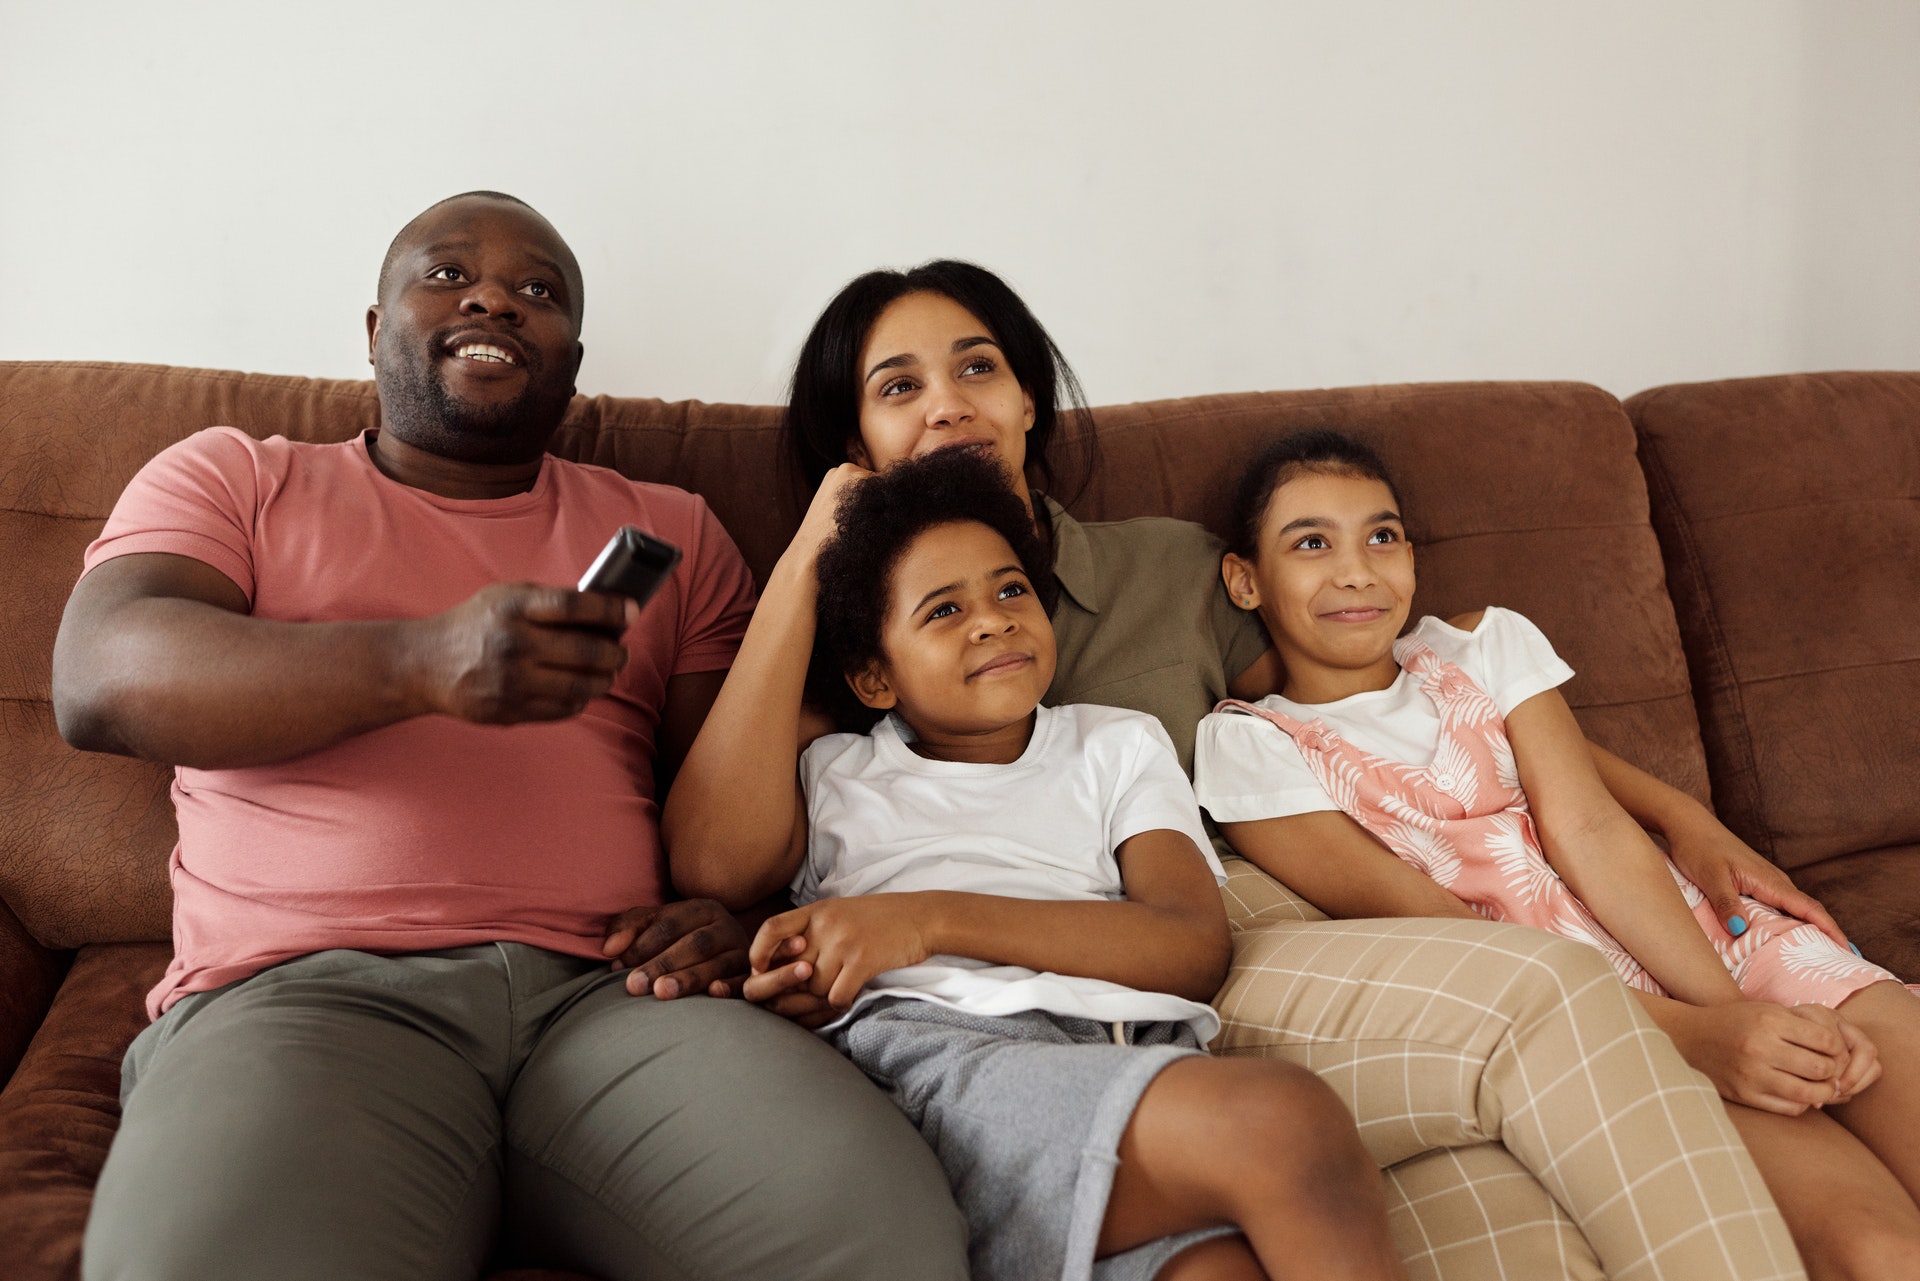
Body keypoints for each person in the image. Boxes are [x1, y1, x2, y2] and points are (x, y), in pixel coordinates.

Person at [665, 259, 1808, 1279]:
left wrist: (1671, 811)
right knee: (1500, 1085)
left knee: (1517, 1142)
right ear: (854, 442)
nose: (949, 400)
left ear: (1027, 399)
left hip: (1240, 907)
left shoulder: (1167, 569)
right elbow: (720, 858)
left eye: (977, 365)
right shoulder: (849, 665)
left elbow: (1391, 676)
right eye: (898, 386)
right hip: (1052, 1006)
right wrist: (820, 542)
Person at [53, 191, 966, 1281]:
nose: (494, 296)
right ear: (372, 329)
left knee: (879, 1243)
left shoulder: (667, 529)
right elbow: (100, 676)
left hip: (621, 1000)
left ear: (571, 367)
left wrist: (738, 917)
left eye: (539, 293)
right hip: (305, 998)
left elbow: (730, 803)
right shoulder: (237, 477)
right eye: (445, 275)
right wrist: (419, 663)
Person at [1193, 428, 1920, 1277]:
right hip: (1600, 1030)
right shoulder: (1252, 747)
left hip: (1712, 947)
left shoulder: (1481, 646)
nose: (1357, 570)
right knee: (1881, 1250)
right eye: (1311, 542)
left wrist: (1741, 1015)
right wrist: (1702, 1037)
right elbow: (1449, 941)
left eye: (1381, 536)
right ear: (1246, 579)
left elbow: (1594, 831)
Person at [743, 445, 1407, 1281]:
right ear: (875, 675)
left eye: (1011, 589)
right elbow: (718, 869)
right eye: (943, 611)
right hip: (944, 1061)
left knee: (1217, 1271)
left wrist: (926, 918)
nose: (992, 619)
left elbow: (1192, 946)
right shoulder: (833, 768)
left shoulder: (1116, 742)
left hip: (1126, 1049)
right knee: (1283, 1122)